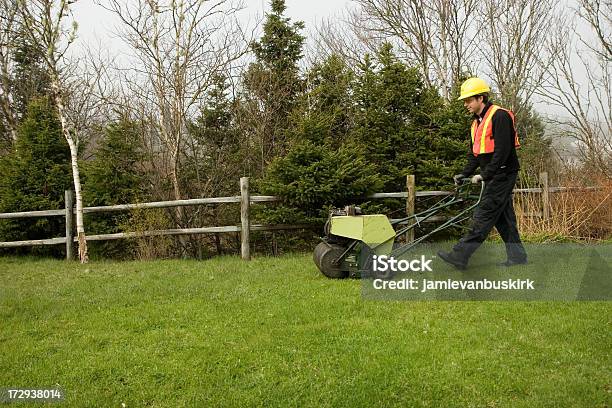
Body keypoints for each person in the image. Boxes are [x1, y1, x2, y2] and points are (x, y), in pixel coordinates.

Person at [438, 77, 527, 270]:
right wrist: (465, 173)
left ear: (481, 98)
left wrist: (484, 175)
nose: (465, 104)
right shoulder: (476, 123)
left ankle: (460, 256)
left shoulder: (499, 116)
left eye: (469, 100)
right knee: (504, 219)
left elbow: (503, 152)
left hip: (503, 174)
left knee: (483, 215)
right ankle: (518, 257)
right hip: (494, 174)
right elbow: (475, 154)